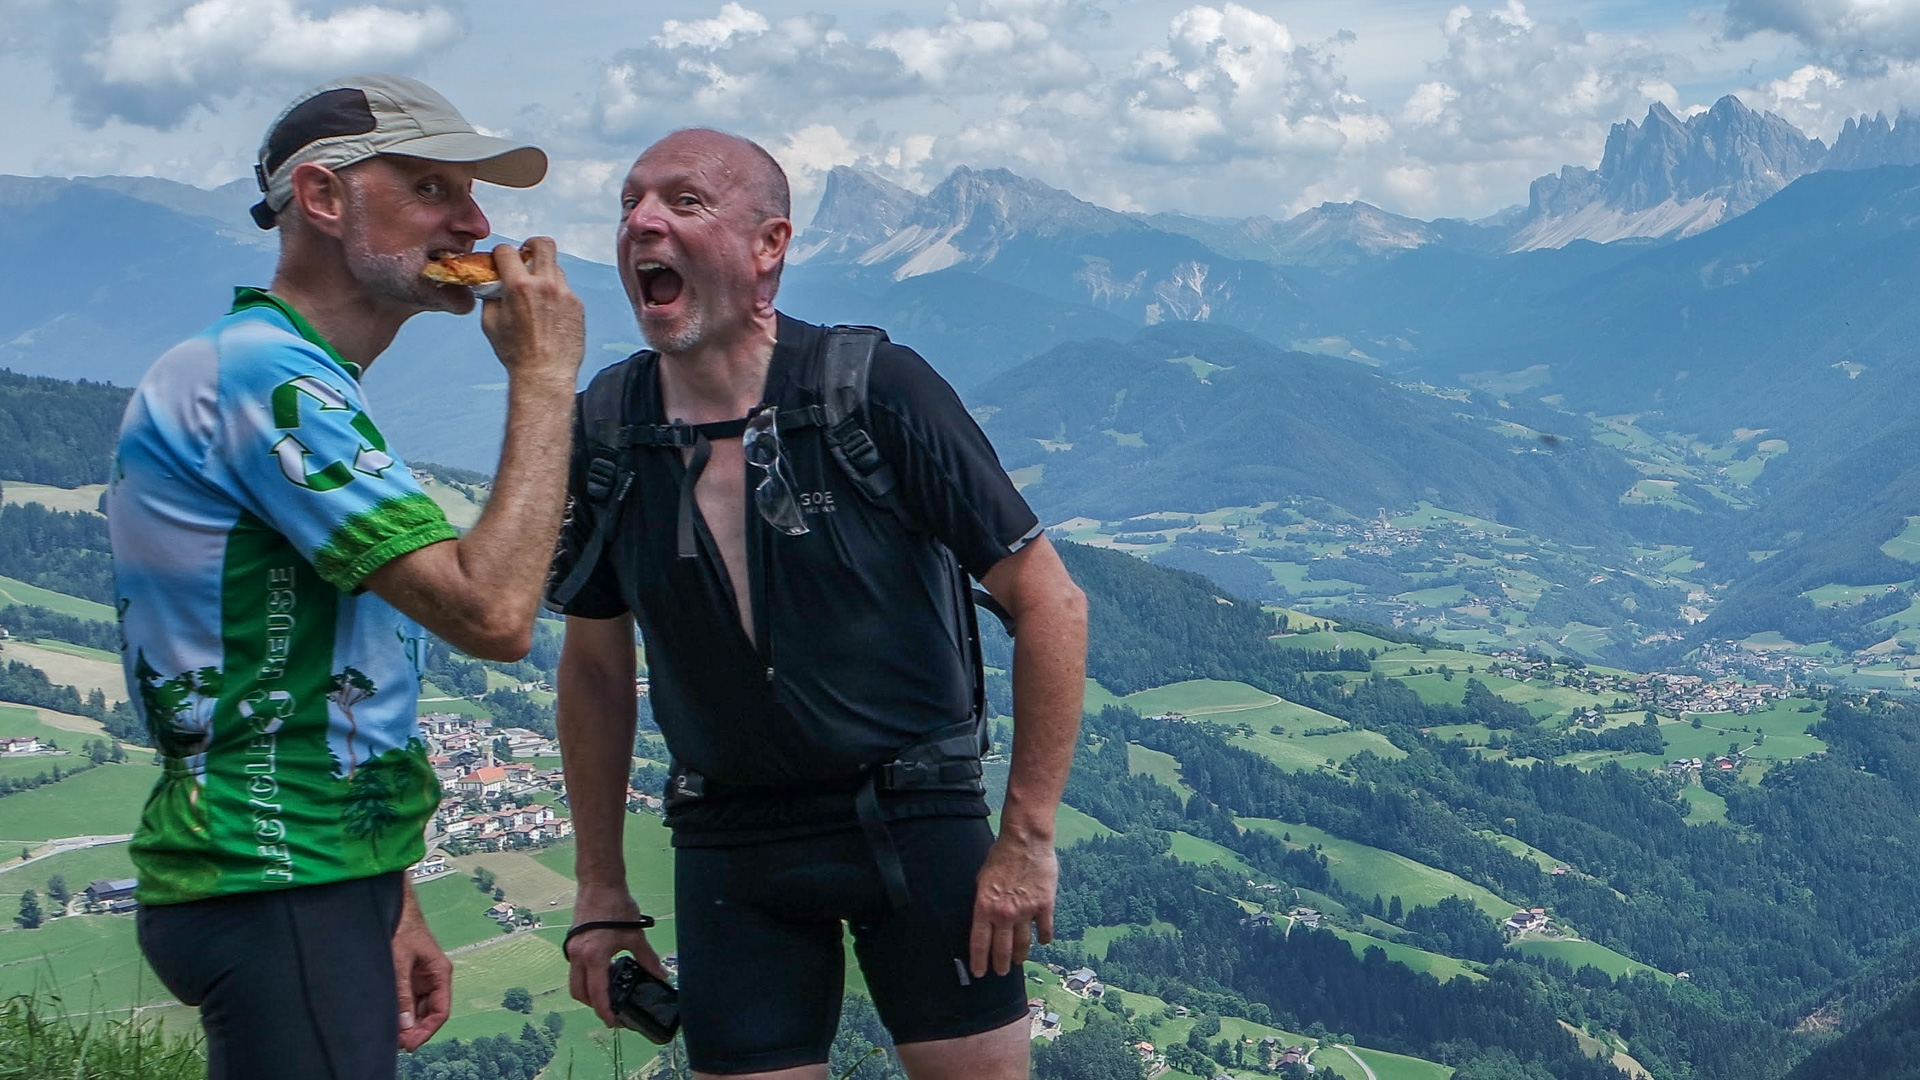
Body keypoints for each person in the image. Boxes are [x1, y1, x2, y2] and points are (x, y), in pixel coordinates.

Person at [549, 127, 1089, 1080]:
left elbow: (1052, 604)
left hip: (915, 816)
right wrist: (600, 889)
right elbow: (594, 668)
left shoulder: (875, 391)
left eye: (684, 201)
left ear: (770, 246)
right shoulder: (607, 429)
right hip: (729, 835)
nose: (641, 222)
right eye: (630, 203)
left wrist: (1026, 839)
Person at [107, 73, 585, 1080]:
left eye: (471, 194)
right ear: (322, 197)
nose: (475, 222)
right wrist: (544, 376)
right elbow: (494, 613)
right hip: (280, 877)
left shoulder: (286, 371)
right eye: (430, 188)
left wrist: (391, 888)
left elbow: (322, 671)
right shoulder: (267, 380)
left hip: (303, 872)